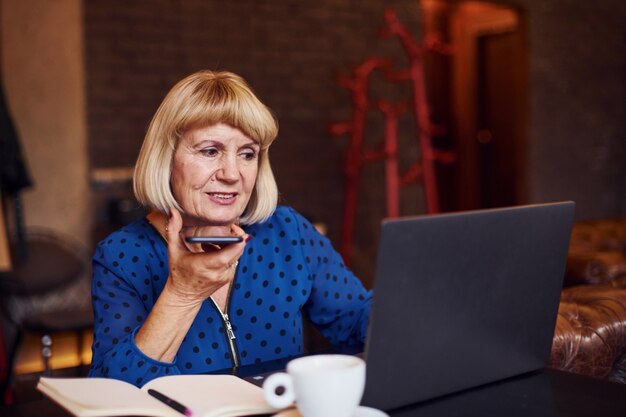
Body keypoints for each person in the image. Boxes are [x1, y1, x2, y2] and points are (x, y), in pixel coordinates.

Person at [88, 70, 372, 386]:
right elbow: (112, 390)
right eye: (210, 151)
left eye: (247, 154)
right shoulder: (122, 255)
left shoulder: (287, 231)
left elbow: (354, 321)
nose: (232, 174)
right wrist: (182, 294)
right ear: (167, 158)